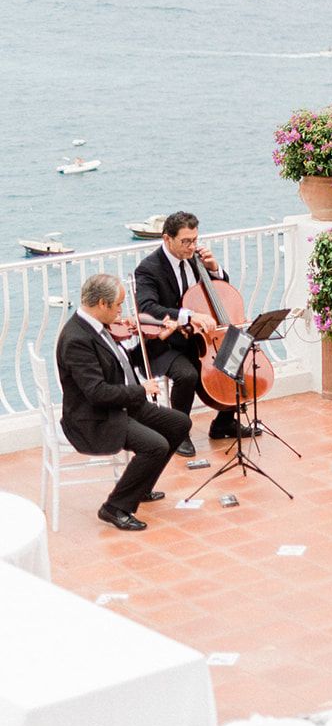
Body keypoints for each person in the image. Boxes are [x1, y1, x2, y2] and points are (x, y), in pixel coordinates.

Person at [57, 273, 190, 531]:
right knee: (155, 445)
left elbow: (124, 362)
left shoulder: (98, 327)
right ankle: (115, 507)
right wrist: (141, 390)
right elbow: (97, 393)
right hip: (95, 417)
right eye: (118, 305)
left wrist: (155, 340)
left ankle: (141, 487)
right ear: (102, 304)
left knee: (179, 423)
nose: (122, 311)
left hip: (120, 406)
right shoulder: (77, 340)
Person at [133, 210, 259, 456]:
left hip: (200, 340)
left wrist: (214, 270)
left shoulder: (195, 259)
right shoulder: (148, 269)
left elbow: (219, 290)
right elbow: (147, 309)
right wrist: (188, 315)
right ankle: (178, 432)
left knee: (238, 355)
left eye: (195, 240)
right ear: (167, 239)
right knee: (187, 375)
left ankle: (223, 423)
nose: (192, 247)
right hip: (166, 344)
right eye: (185, 242)